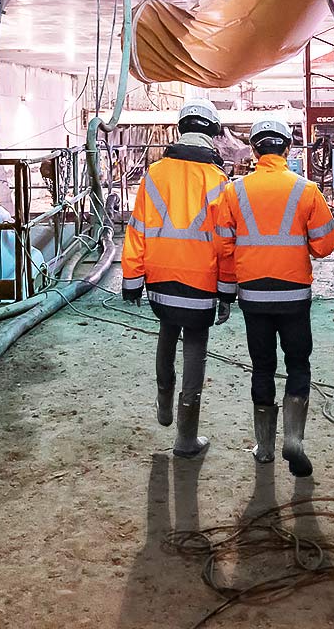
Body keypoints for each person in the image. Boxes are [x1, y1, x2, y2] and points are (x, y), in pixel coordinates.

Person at [212, 117, 334, 476]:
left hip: (252, 295)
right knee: (298, 363)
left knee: (262, 367)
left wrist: (227, 290)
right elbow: (326, 244)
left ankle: (265, 448)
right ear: (288, 149)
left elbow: (223, 245)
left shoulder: (233, 192)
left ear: (253, 151)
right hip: (294, 294)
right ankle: (294, 440)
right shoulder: (307, 190)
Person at [120, 101, 234, 458]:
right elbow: (225, 243)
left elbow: (136, 229)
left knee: (167, 332)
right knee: (195, 349)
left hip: (160, 279)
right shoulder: (218, 180)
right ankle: (186, 438)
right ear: (213, 134)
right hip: (201, 283)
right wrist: (227, 290)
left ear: (180, 129)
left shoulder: (154, 174)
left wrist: (132, 279)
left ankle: (164, 401)